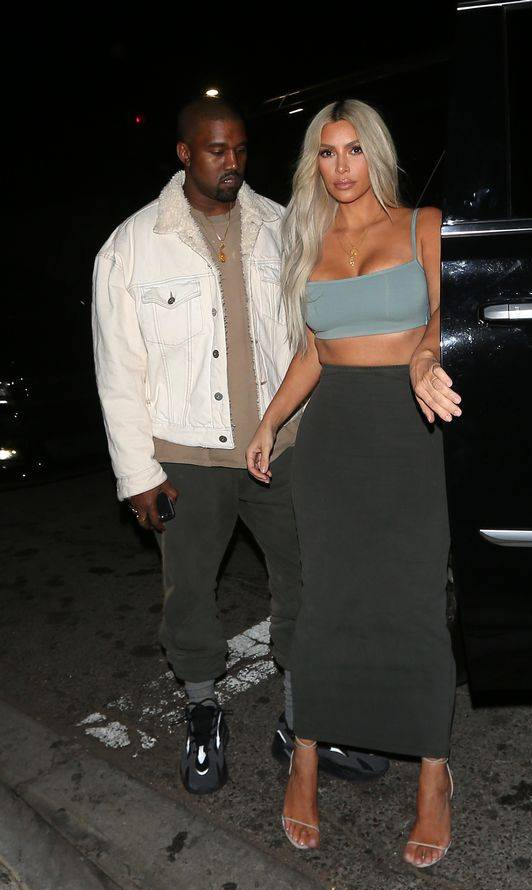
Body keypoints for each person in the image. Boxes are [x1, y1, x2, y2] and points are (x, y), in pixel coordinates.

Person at [92, 97, 388, 796]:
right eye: (216, 150)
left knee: (306, 581)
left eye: (241, 149)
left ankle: (302, 723)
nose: (232, 162)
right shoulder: (132, 246)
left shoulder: (281, 227)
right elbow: (118, 369)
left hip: (280, 447)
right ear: (184, 153)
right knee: (190, 593)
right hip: (187, 456)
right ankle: (203, 712)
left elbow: (313, 340)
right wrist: (138, 474)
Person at [246, 99, 460, 868]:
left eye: (354, 150)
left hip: (410, 431)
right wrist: (269, 421)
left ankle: (432, 773)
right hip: (332, 438)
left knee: (414, 601)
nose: (341, 167)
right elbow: (312, 352)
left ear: (376, 153)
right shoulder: (308, 242)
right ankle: (304, 758)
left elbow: (445, 317)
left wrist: (425, 354)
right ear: (315, 163)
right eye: (327, 153)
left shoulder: (424, 225)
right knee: (327, 601)